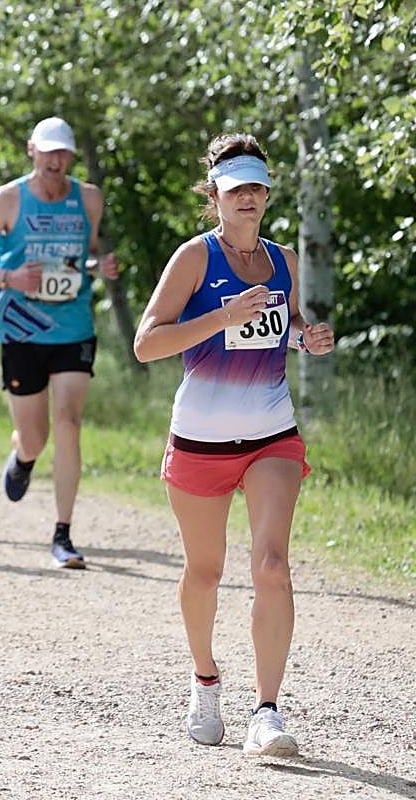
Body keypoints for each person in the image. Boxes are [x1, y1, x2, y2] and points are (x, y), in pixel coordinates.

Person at [132, 133, 335, 757]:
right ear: (215, 196)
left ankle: (267, 711)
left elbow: (284, 327)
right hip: (201, 439)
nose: (247, 198)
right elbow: (146, 343)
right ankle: (205, 681)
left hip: (272, 433)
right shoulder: (194, 258)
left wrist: (306, 337)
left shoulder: (284, 260)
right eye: (235, 189)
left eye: (257, 188)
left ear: (268, 195)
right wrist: (222, 317)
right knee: (206, 571)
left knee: (272, 566)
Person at [0, 116, 118, 569]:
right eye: (48, 151)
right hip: (21, 328)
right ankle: (23, 456)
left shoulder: (89, 198)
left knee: (69, 421)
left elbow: (81, 259)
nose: (55, 160)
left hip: (73, 327)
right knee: (35, 438)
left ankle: (63, 534)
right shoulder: (9, 198)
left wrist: (99, 267)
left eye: (63, 152)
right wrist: (10, 278)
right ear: (32, 150)